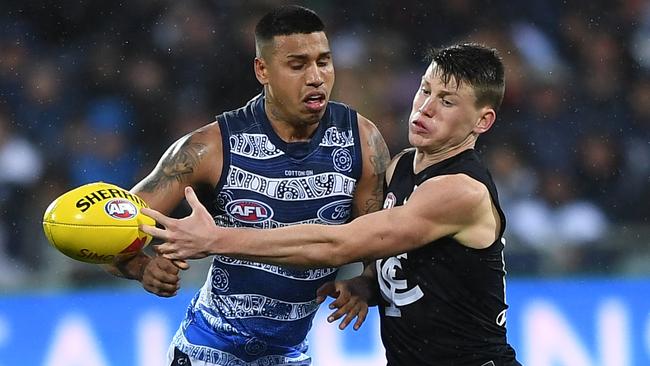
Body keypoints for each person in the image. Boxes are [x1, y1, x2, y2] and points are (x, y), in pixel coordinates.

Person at [143, 43, 521, 365]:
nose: (425, 107)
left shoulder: (460, 191)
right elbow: (403, 260)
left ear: (482, 121)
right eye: (425, 90)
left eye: (447, 101)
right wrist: (366, 286)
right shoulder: (402, 166)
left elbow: (338, 244)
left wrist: (216, 240)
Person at [104, 5, 389, 366]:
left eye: (324, 61)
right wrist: (140, 268)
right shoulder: (209, 148)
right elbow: (111, 230)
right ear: (262, 70)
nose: (316, 77)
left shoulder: (362, 142)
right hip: (209, 351)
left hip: (290, 356)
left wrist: (366, 283)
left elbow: (380, 244)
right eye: (298, 65)